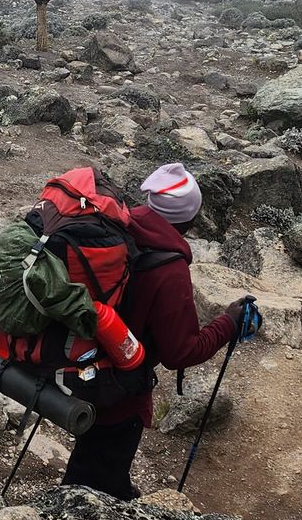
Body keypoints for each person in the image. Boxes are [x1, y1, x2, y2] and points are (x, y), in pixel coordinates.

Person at [59, 162, 258, 499]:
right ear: (190, 219)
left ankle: (113, 493)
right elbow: (180, 352)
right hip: (118, 387)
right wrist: (229, 322)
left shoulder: (117, 227)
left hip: (75, 360)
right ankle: (76, 519)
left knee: (96, 457)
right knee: (96, 474)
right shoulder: (170, 268)